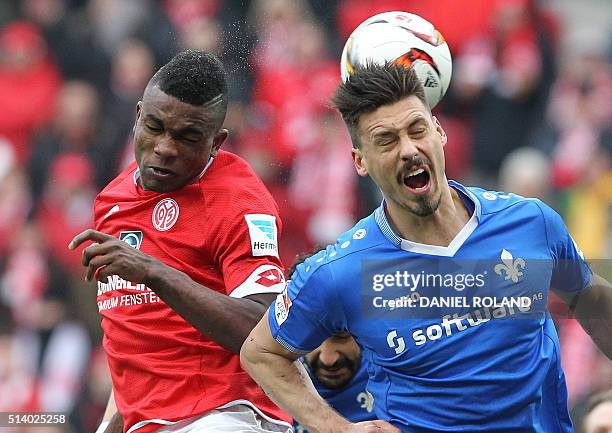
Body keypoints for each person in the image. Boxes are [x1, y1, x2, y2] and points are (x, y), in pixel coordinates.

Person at [240, 63, 612, 433]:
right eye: (386, 140)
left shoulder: (530, 223)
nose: (409, 150)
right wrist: (340, 429)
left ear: (439, 131)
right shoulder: (343, 271)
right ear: (360, 161)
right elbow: (262, 353)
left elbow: (588, 300)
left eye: (417, 129)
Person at [68, 50, 291, 433]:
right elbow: (133, 333)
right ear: (138, 116)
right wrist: (108, 424)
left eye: (187, 136)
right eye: (154, 127)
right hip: (147, 421)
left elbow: (265, 328)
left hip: (225, 416)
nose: (165, 147)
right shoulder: (112, 200)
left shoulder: (239, 201)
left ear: (216, 141)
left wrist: (156, 272)